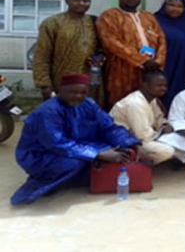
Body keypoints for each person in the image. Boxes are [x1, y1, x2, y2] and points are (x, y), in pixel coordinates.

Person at [11, 74, 142, 205]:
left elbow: (108, 128)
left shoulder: (89, 104)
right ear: (60, 91)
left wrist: (132, 143)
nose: (78, 96)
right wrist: (98, 154)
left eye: (83, 92)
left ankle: (77, 177)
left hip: (79, 145)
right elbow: (57, 144)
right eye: (73, 92)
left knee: (121, 150)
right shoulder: (47, 112)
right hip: (41, 154)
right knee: (73, 164)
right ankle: (45, 179)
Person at [96, 0, 166, 108]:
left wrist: (158, 61)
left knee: (150, 102)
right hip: (122, 68)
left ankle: (148, 127)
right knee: (122, 102)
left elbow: (161, 39)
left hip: (150, 70)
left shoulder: (148, 16)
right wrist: (142, 60)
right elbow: (112, 42)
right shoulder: (109, 16)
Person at [32, 0, 104, 106]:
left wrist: (100, 56)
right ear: (67, 1)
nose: (81, 3)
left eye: (86, 1)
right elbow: (41, 55)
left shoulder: (94, 22)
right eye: (76, 0)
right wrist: (44, 84)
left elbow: (102, 47)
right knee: (63, 114)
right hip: (62, 80)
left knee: (88, 114)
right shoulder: (52, 23)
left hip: (90, 81)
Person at [109, 71, 176, 165]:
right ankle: (136, 164)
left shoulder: (151, 99)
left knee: (177, 139)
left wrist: (164, 125)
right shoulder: (135, 103)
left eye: (165, 86)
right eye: (159, 85)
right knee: (167, 151)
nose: (163, 89)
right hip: (127, 141)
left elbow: (158, 117)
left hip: (144, 137)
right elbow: (143, 135)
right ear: (145, 85)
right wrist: (161, 134)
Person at [154, 0, 185, 110]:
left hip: (183, 67)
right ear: (164, 6)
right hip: (163, 66)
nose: (175, 9)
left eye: (179, 6)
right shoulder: (154, 21)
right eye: (171, 5)